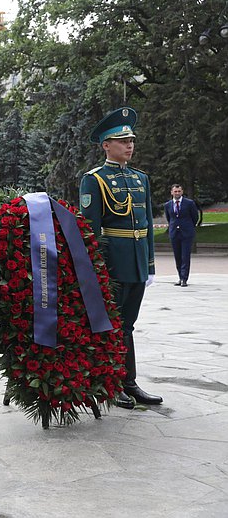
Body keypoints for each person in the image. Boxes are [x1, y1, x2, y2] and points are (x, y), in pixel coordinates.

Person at [80, 107, 162, 408]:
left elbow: (148, 224)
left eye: (131, 140)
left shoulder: (140, 179)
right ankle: (109, 385)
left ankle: (129, 381)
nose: (129, 145)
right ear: (106, 145)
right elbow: (91, 231)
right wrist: (98, 271)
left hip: (138, 262)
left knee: (128, 325)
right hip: (114, 265)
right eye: (121, 140)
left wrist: (150, 264)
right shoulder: (95, 180)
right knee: (112, 325)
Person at [164, 183, 198, 287]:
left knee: (185, 256)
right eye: (175, 191)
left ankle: (184, 278)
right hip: (174, 233)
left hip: (187, 233)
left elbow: (195, 217)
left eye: (179, 191)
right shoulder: (168, 205)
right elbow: (169, 218)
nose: (177, 193)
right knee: (177, 256)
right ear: (171, 192)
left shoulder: (189, 203)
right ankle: (180, 276)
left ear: (182, 192)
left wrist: (188, 227)